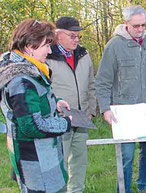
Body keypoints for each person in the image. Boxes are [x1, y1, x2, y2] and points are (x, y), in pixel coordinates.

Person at [95, 5, 146, 193]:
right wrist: (105, 108)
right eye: (136, 26)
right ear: (126, 23)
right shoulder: (114, 46)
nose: (140, 29)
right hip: (125, 112)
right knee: (126, 156)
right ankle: (123, 190)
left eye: (143, 25)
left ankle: (144, 186)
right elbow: (102, 81)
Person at [0, 18, 72, 193]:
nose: (49, 50)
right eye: (46, 45)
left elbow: (30, 104)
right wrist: (66, 123)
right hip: (37, 164)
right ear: (29, 46)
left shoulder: (26, 67)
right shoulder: (21, 80)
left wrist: (54, 102)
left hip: (41, 158)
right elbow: (31, 125)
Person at [46, 16, 97, 193]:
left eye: (78, 36)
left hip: (82, 118)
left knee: (79, 161)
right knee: (59, 162)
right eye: (72, 36)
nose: (76, 40)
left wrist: (91, 110)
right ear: (58, 35)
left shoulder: (83, 54)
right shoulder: (47, 56)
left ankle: (76, 190)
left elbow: (92, 85)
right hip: (59, 119)